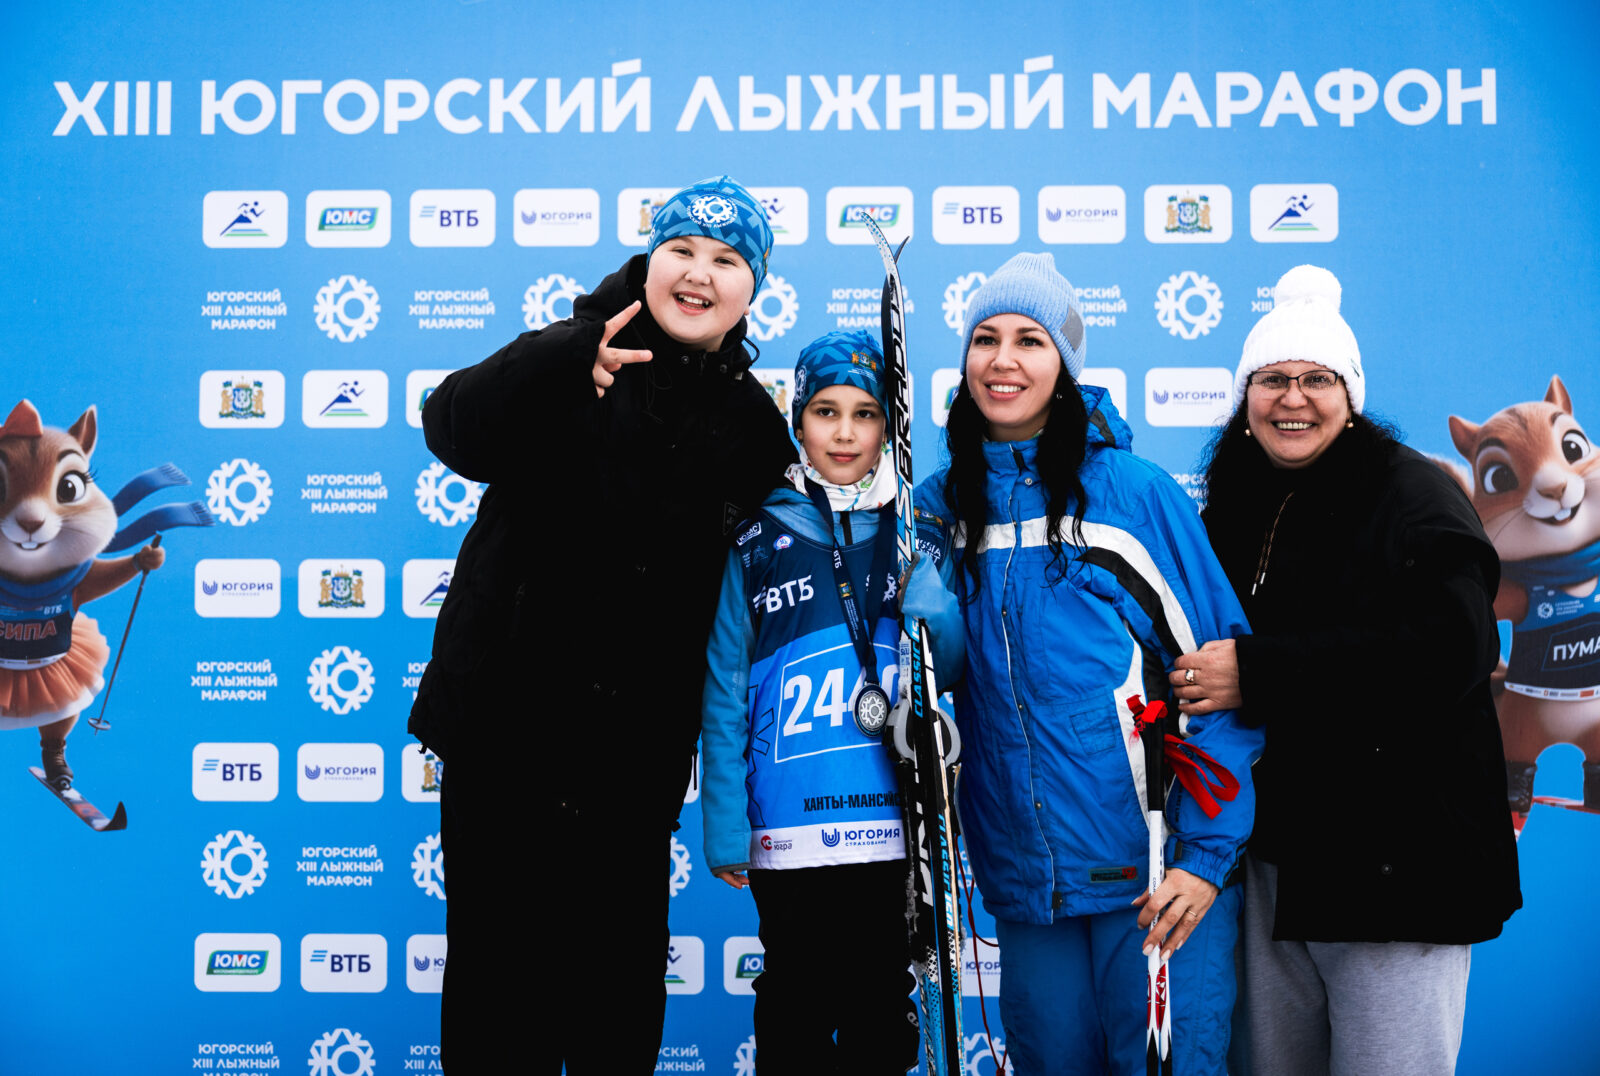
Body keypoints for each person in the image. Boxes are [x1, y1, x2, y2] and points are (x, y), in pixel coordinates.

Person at [410, 176, 795, 1074]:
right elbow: (449, 427)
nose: (698, 274)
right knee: (496, 1005)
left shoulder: (751, 423)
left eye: (726, 259)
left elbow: (785, 569)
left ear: (752, 289)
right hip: (503, 742)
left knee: (615, 1010)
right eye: (681, 250)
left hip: (630, 766)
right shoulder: (570, 350)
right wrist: (560, 361)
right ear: (648, 262)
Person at [915, 253, 1264, 1074]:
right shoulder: (939, 508)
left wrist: (1204, 860)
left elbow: (1220, 679)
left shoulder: (1131, 494)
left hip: (1153, 872)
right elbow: (929, 677)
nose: (1003, 360)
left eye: (1030, 341)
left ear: (1065, 365)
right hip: (1025, 880)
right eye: (986, 339)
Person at [1172, 264, 1522, 1076]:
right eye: (1272, 380)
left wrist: (1257, 672)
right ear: (1245, 395)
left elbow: (1453, 650)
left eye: (1317, 379)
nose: (1292, 399)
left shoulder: (1413, 495)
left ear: (1351, 394)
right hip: (1279, 869)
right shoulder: (1238, 501)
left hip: (1400, 876)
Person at [700, 330, 960, 1075]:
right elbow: (724, 688)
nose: (845, 433)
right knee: (795, 1002)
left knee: (880, 1002)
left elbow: (949, 677)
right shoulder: (758, 537)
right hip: (790, 827)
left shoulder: (916, 535)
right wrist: (726, 820)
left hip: (889, 824)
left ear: (890, 427)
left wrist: (939, 614)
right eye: (825, 412)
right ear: (798, 420)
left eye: (864, 414)